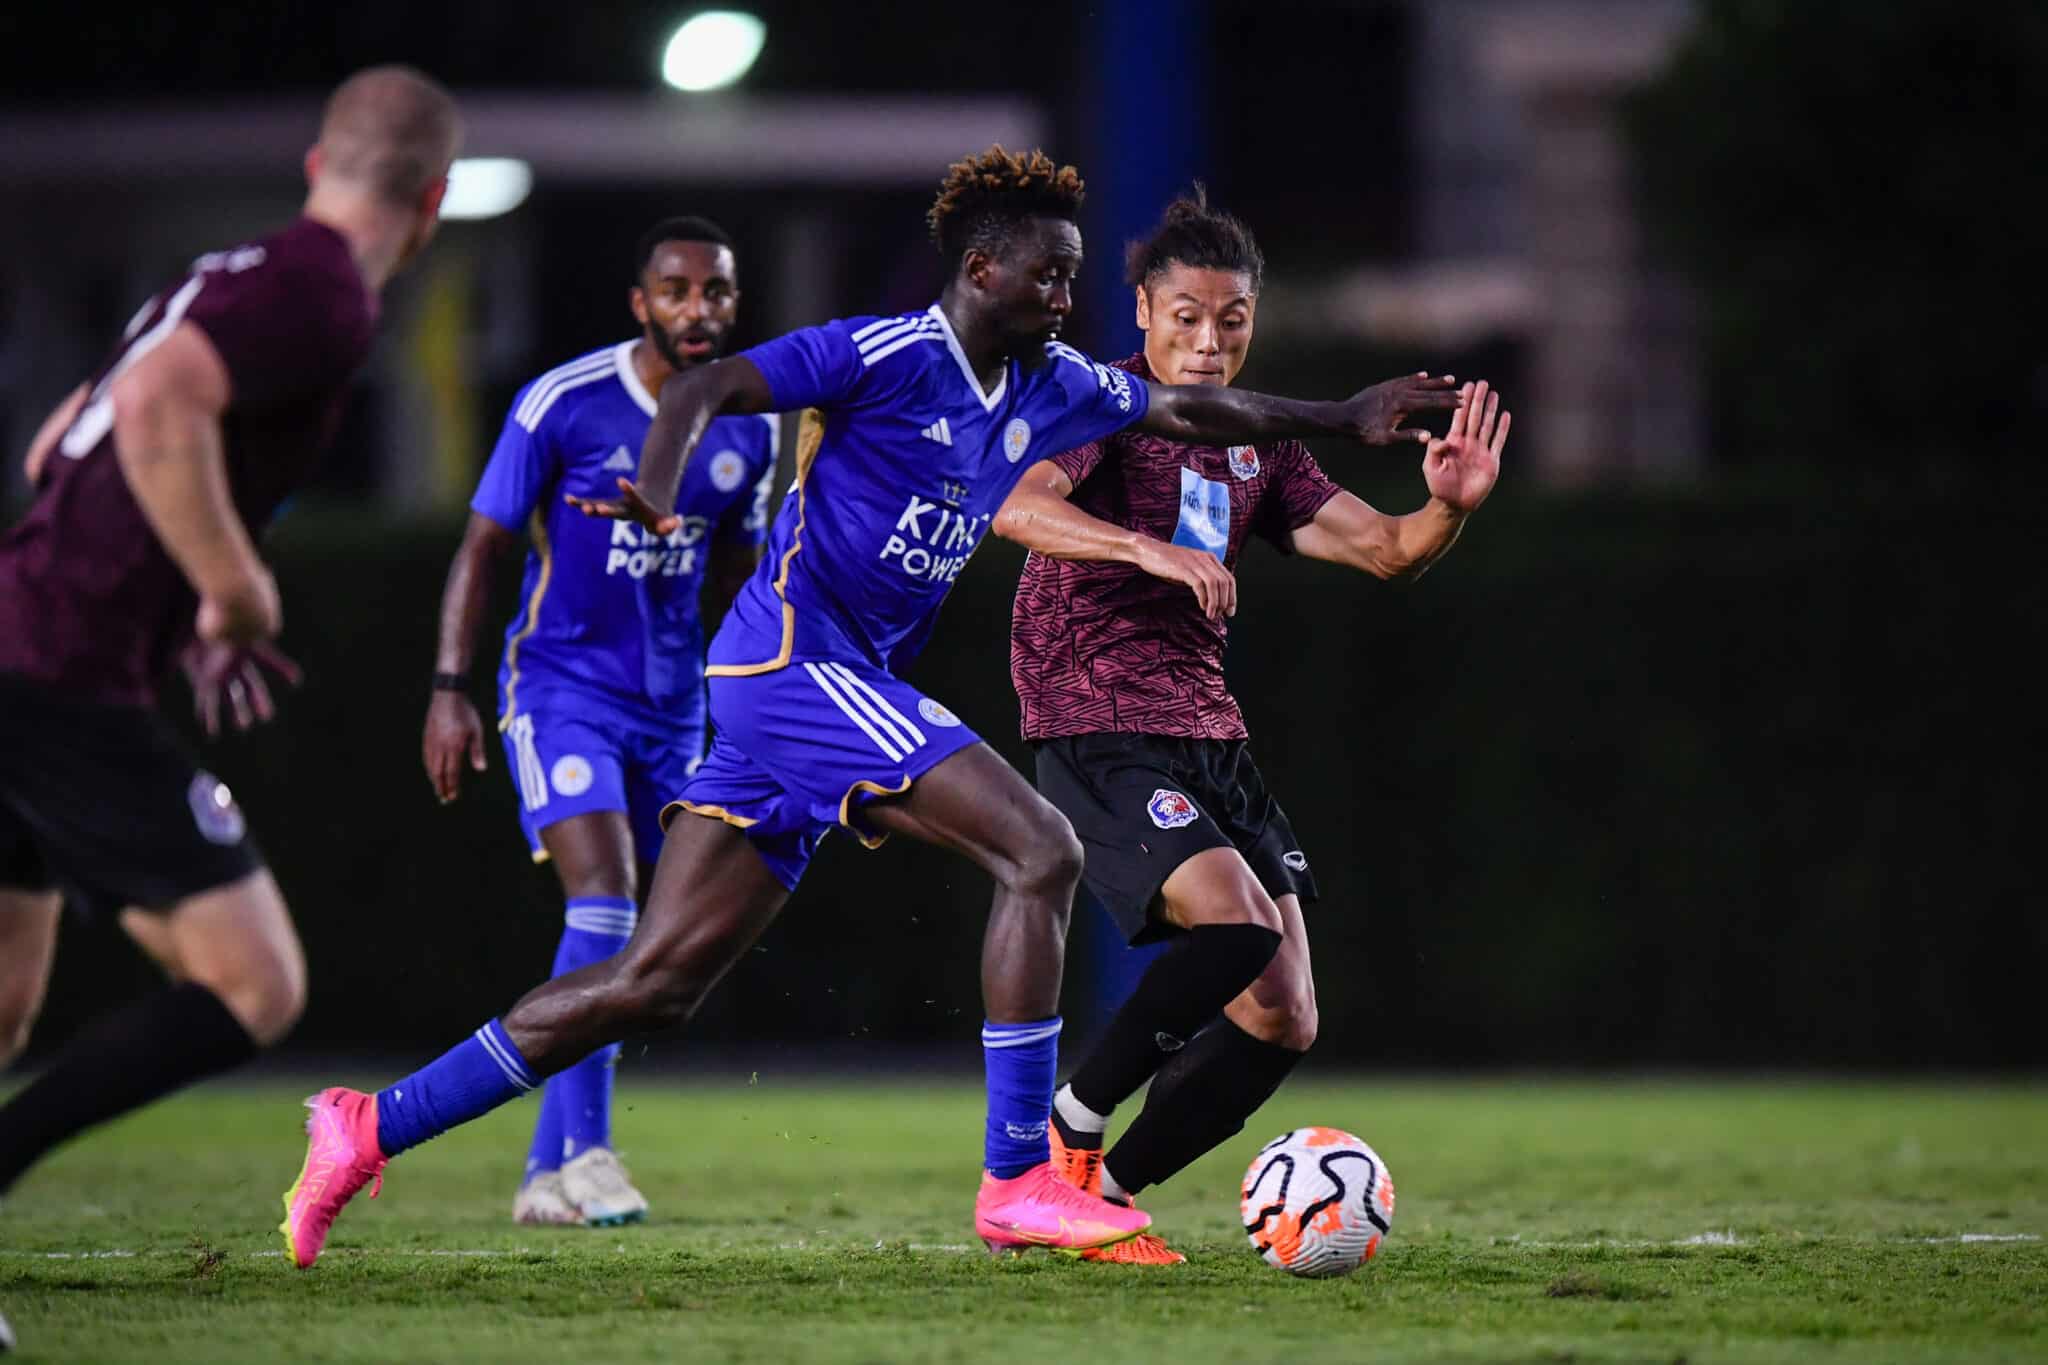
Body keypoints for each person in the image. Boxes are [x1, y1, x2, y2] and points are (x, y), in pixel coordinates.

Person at [278, 145, 1459, 1268]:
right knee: (1037, 849)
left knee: (653, 984)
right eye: (1046, 270)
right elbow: (711, 384)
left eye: (1069, 270)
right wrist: (654, 478)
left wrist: (1337, 417)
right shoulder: (882, 354)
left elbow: (1185, 414)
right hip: (792, 665)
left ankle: (366, 1128)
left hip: (815, 692)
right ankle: (1017, 1183)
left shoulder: (1045, 383)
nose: (1063, 290)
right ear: (980, 269)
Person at [998, 188, 1509, 1263]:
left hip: (1207, 733)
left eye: (1229, 319)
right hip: (1095, 718)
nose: (1205, 340)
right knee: (1234, 925)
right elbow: (1016, 506)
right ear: (1140, 311)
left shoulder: (1257, 446)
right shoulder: (1103, 402)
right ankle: (1066, 1138)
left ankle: (1105, 1201)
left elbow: (1382, 550)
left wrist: (1448, 506)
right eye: (1183, 315)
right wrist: (1151, 551)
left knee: (1284, 1012)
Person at [0, 67, 461, 1196]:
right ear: (434, 201)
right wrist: (234, 586)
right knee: (256, 985)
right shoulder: (325, 292)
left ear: (318, 165)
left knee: (5, 1001)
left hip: (19, 643)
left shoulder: (232, 275)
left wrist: (180, 581)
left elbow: (57, 442)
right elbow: (157, 404)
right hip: (60, 678)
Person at [421, 216, 777, 1227]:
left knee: (659, 940)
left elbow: (744, 579)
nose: (697, 311)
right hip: (559, 688)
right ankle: (589, 1150)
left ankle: (545, 1175)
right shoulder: (565, 403)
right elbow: (482, 550)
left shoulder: (748, 424)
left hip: (676, 711)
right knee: (606, 899)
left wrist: (773, 702)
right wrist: (450, 691)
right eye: (676, 291)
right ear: (640, 302)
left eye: (714, 292)